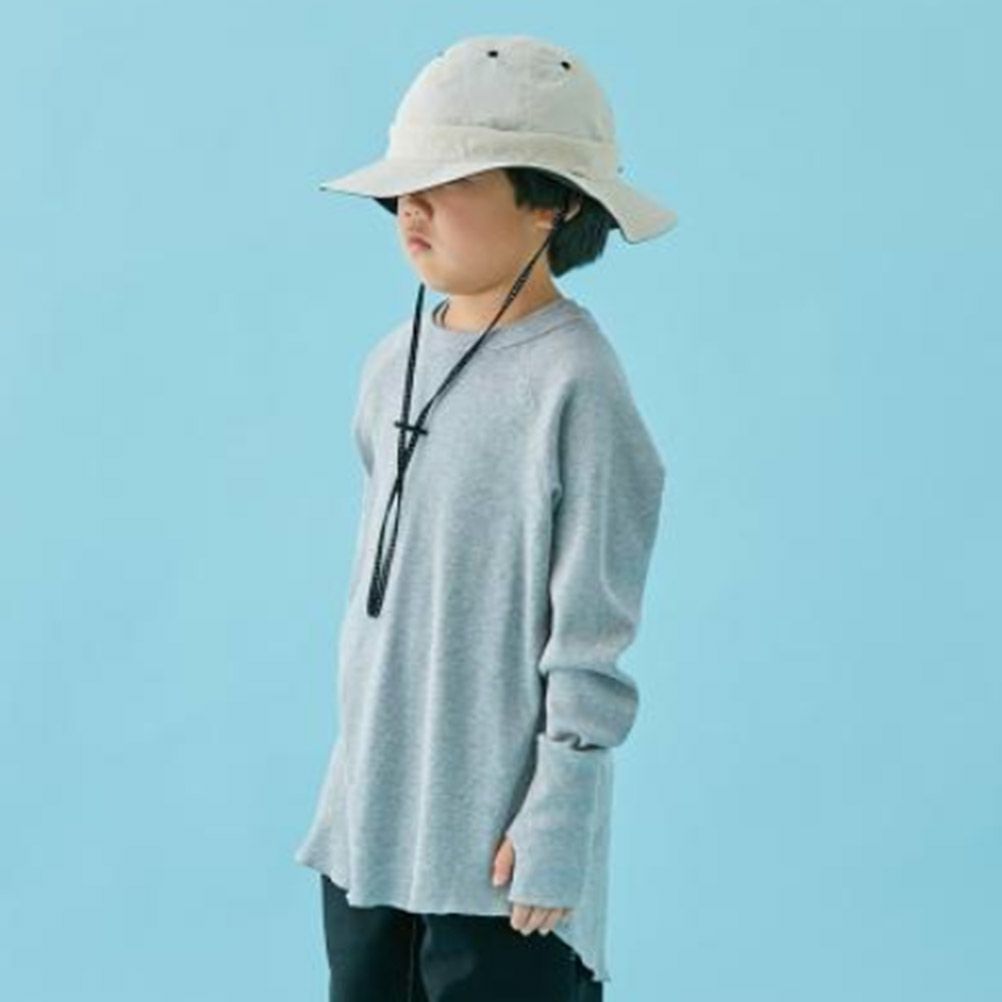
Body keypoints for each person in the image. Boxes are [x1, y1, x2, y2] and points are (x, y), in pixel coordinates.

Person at [294, 33, 678, 1001]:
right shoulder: (392, 362)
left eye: (451, 180)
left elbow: (592, 632)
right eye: (404, 186)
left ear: (553, 203)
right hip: (372, 827)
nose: (411, 207)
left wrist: (561, 813)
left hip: (502, 850)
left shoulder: (577, 385)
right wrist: (348, 785)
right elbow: (377, 604)